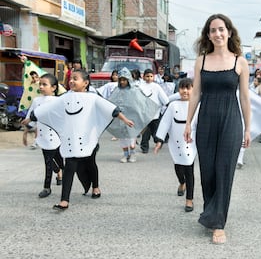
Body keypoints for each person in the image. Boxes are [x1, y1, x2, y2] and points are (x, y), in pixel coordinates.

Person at [183, 14, 251, 244]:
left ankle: (218, 223)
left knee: (224, 170)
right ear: (208, 35)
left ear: (229, 32)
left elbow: (244, 97)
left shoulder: (240, 61)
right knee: (208, 172)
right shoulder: (201, 61)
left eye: (221, 29)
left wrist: (248, 128)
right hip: (206, 121)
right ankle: (211, 213)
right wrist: (188, 122)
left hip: (231, 121)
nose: (218, 34)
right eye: (213, 30)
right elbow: (195, 94)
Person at [30, 69, 134, 210]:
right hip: (70, 140)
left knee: (91, 164)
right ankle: (64, 200)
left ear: (85, 83)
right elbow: (47, 108)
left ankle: (95, 187)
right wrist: (31, 117)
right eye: (70, 78)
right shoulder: (65, 97)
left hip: (88, 140)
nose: (71, 81)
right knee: (69, 168)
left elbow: (111, 109)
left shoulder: (92, 98)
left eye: (75, 78)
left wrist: (125, 119)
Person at [154, 78, 197, 212]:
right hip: (175, 142)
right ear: (178, 90)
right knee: (179, 167)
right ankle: (181, 182)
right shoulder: (173, 106)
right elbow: (165, 123)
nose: (185, 91)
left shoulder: (197, 105)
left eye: (188, 88)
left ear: (193, 90)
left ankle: (189, 199)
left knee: (189, 168)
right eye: (182, 88)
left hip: (191, 142)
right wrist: (159, 140)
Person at [21, 73, 64, 198]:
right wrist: (26, 131)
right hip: (43, 137)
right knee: (48, 162)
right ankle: (47, 187)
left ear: (54, 88)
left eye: (44, 84)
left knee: (59, 161)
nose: (41, 87)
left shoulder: (58, 101)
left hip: (57, 137)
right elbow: (30, 118)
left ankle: (60, 173)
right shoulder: (36, 100)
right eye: (40, 84)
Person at [107, 67, 159, 163]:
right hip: (120, 119)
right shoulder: (116, 90)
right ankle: (125, 154)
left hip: (132, 118)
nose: (122, 82)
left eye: (124, 80)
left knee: (131, 138)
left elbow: (141, 102)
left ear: (128, 79)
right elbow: (110, 103)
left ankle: (132, 153)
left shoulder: (135, 90)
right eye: (120, 80)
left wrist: (143, 114)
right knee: (122, 138)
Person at [139, 69, 169, 154]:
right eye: (147, 76)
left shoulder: (156, 87)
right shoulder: (140, 86)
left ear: (154, 77)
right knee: (145, 132)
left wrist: (166, 104)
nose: (149, 78)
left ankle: (159, 141)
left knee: (156, 131)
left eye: (151, 76)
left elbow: (164, 99)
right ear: (143, 77)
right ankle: (144, 147)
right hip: (144, 114)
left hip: (155, 113)